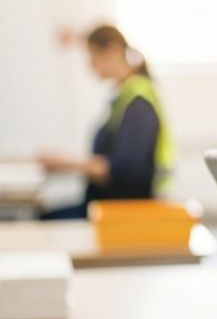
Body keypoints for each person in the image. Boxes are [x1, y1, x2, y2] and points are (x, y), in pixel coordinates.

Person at [38, 24, 174, 219]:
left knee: (41, 219)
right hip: (105, 206)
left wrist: (63, 162)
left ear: (113, 50)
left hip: (122, 213)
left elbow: (121, 171)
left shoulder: (139, 103)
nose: (90, 65)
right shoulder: (124, 98)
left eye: (92, 57)